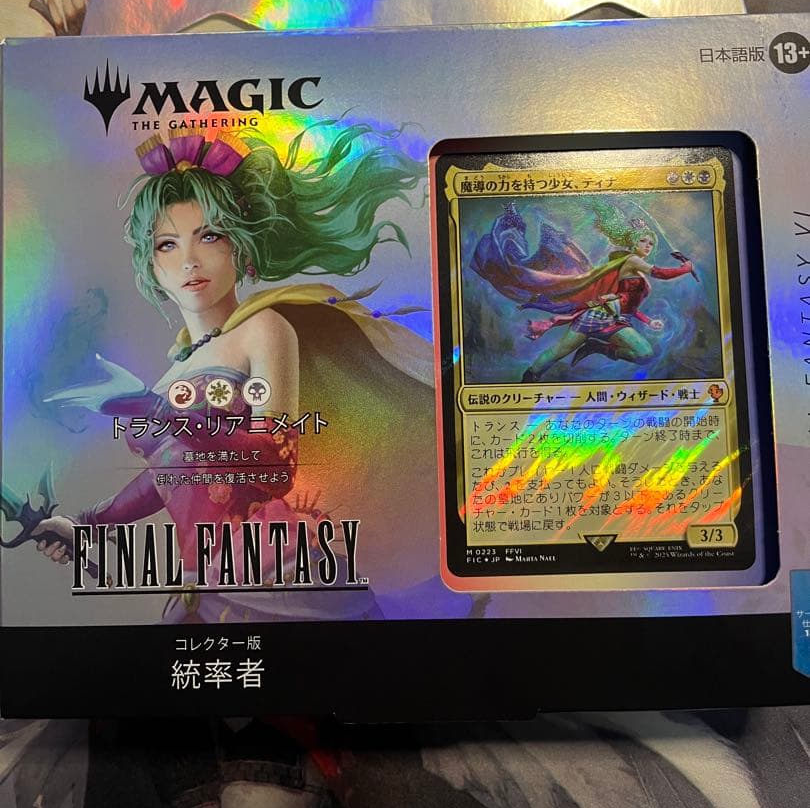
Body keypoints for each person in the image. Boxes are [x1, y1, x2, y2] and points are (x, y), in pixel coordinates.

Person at [33, 120, 440, 619]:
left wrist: (162, 413)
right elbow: (171, 476)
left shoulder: (263, 330)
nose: (189, 260)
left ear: (239, 247)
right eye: (167, 244)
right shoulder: (172, 375)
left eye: (209, 236)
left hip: (274, 566)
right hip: (201, 580)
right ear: (152, 266)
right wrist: (87, 523)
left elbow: (276, 464)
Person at [470, 200, 695, 383]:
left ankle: (597, 347)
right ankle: (529, 379)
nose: (647, 245)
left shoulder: (637, 272)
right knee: (560, 351)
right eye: (643, 241)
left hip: (615, 319)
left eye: (650, 243)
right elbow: (661, 273)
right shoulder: (631, 260)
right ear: (633, 243)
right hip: (599, 317)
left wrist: (647, 321)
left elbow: (627, 304)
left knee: (644, 354)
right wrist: (686, 268)